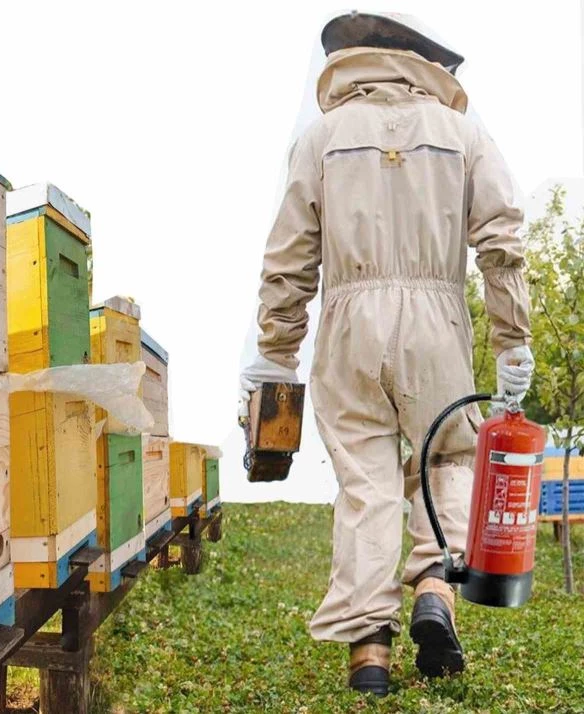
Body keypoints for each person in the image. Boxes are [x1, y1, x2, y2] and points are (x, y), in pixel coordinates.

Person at [238, 11, 534, 697]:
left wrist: (277, 352)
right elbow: (502, 243)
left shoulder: (321, 138)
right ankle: (434, 585)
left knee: (365, 486)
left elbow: (288, 261)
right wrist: (512, 341)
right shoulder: (462, 133)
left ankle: (369, 653)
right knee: (450, 457)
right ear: (423, 60)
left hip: (348, 328)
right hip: (437, 324)